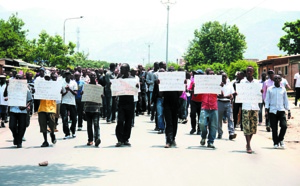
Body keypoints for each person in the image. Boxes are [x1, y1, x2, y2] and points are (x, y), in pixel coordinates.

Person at [5, 75, 32, 148]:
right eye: (16, 78)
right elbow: (5, 95)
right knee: (12, 126)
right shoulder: (11, 88)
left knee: (22, 126)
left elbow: (30, 99)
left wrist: (25, 106)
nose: (18, 80)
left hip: (22, 111)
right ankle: (16, 137)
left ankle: (19, 142)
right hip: (13, 110)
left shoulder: (26, 89)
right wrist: (7, 86)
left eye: (19, 79)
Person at [115, 63, 138, 147]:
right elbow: (115, 90)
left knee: (128, 122)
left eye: (123, 69)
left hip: (130, 102)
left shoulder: (132, 79)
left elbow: (136, 90)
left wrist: (137, 86)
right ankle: (119, 139)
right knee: (120, 121)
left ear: (127, 70)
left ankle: (126, 139)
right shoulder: (119, 79)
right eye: (121, 69)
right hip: (121, 102)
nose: (121, 71)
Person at [265, 75, 291, 149]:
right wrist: (266, 110)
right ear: (273, 80)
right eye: (275, 79)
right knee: (274, 128)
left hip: (281, 110)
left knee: (284, 126)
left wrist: (288, 110)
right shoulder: (270, 89)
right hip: (272, 111)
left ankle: (281, 139)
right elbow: (267, 100)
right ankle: (275, 142)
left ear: (281, 80)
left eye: (278, 79)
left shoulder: (283, 89)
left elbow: (286, 100)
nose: (277, 80)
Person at [240, 66, 261, 154]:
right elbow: (240, 93)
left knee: (253, 128)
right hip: (246, 106)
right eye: (248, 71)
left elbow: (259, 93)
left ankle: (248, 142)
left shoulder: (257, 82)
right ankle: (248, 145)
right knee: (246, 126)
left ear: (253, 72)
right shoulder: (242, 82)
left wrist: (261, 92)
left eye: (250, 71)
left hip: (254, 106)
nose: (249, 72)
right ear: (246, 72)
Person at [82, 72, 102, 147]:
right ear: (89, 77)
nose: (93, 76)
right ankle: (90, 140)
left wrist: (102, 96)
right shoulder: (86, 86)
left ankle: (97, 138)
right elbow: (83, 98)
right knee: (89, 125)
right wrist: (83, 94)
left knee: (96, 124)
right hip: (87, 108)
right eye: (91, 75)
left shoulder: (99, 87)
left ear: (96, 77)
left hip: (96, 109)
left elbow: (101, 98)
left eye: (94, 75)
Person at [37, 72, 57, 147]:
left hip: (51, 108)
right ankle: (45, 141)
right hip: (42, 107)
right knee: (43, 125)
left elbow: (59, 93)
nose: (47, 79)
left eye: (48, 77)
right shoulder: (40, 86)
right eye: (46, 77)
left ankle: (52, 134)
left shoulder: (54, 86)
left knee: (52, 124)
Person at [217, 73, 236, 140]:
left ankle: (231, 133)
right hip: (220, 102)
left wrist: (228, 97)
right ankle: (219, 133)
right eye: (222, 76)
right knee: (219, 119)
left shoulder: (230, 84)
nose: (224, 78)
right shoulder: (218, 85)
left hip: (228, 103)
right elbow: (217, 95)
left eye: (225, 76)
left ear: (227, 77)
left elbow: (232, 94)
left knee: (230, 118)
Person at [60, 70, 78, 139]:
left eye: (68, 74)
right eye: (66, 74)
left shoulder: (74, 83)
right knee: (64, 119)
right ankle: (67, 133)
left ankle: (73, 131)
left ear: (70, 75)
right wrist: (66, 91)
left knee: (74, 118)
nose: (67, 76)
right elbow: (60, 94)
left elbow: (75, 93)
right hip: (64, 102)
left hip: (72, 102)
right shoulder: (61, 83)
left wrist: (69, 89)